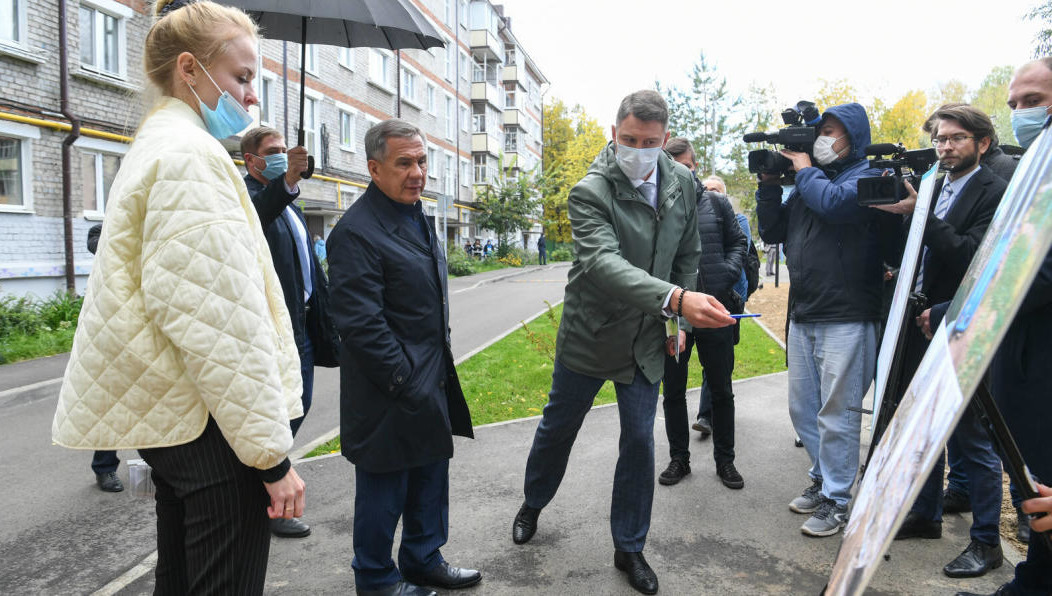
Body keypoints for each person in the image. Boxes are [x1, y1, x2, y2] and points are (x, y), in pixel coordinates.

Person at [52, 1, 306, 592]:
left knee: (181, 578)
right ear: (189, 69)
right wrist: (271, 459)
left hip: (179, 420)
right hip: (212, 427)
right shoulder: (191, 159)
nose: (251, 98)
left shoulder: (158, 145)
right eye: (242, 77)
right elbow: (218, 322)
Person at [511, 90, 735, 595]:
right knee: (558, 427)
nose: (639, 149)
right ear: (614, 133)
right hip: (592, 335)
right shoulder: (590, 190)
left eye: (650, 142)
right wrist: (677, 300)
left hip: (648, 338)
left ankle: (629, 546)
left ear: (664, 139)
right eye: (629, 139)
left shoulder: (681, 182)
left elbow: (687, 254)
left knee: (638, 440)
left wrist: (677, 325)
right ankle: (534, 501)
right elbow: (603, 266)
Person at [326, 119, 479, 596]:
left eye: (422, 161)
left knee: (430, 479)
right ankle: (376, 580)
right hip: (387, 390)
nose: (418, 173)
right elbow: (360, 324)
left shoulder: (415, 213)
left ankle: (422, 559)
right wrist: (405, 382)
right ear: (374, 168)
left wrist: (424, 382)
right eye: (404, 163)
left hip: (427, 378)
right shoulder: (355, 233)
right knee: (383, 492)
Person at [875, 105, 1007, 578]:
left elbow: (975, 254)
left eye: (956, 139)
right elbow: (917, 249)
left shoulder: (996, 190)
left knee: (972, 436)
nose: (946, 147)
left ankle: (987, 541)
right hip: (919, 320)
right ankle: (926, 515)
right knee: (923, 424)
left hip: (963, 322)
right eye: (940, 140)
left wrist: (923, 216)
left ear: (982, 143)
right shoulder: (932, 184)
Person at [755, 103, 887, 537]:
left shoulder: (868, 178)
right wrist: (770, 185)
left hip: (847, 315)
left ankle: (838, 499)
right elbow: (773, 232)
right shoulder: (812, 184)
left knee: (839, 412)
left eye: (829, 131)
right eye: (818, 132)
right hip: (806, 312)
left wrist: (805, 168)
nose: (820, 139)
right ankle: (822, 476)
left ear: (852, 135)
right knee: (804, 407)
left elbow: (834, 207)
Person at [955, 57, 1052, 596]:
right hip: (1021, 374)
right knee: (1036, 498)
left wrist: (968, 305)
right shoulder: (1035, 166)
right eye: (1014, 103)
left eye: (1033, 101)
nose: (1021, 113)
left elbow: (1031, 268)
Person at [241, 126, 339, 539]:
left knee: (297, 408)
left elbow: (307, 266)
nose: (283, 156)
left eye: (285, 149)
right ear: (252, 161)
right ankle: (263, 500)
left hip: (300, 324)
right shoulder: (246, 196)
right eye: (273, 151)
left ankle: (260, 491)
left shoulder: (291, 204)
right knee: (278, 415)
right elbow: (257, 216)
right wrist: (288, 181)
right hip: (272, 329)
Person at [656, 140, 747, 490]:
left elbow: (739, 242)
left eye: (686, 165)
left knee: (721, 390)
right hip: (674, 315)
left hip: (714, 308)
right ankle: (679, 458)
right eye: (673, 165)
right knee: (673, 391)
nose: (681, 172)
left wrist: (724, 274)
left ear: (694, 166)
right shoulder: (660, 208)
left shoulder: (717, 203)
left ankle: (726, 461)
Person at [84, 223, 123, 494]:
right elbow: (94, 241)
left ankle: (165, 468)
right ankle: (104, 468)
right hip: (114, 323)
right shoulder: (114, 219)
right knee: (113, 401)